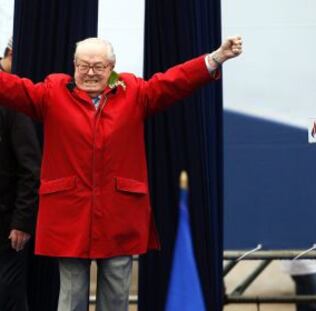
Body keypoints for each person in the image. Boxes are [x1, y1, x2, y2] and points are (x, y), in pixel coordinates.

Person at [0, 36, 242, 310]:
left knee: (116, 297)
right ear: (73, 65)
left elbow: (174, 82)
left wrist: (216, 58)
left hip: (119, 213)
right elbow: (11, 88)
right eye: (83, 66)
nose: (90, 73)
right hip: (69, 215)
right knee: (71, 296)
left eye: (98, 66)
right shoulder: (53, 92)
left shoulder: (134, 92)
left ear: (112, 66)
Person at [0, 38, 41, 311]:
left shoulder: (12, 97)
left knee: (8, 297)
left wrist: (22, 222)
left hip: (6, 225)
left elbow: (31, 167)